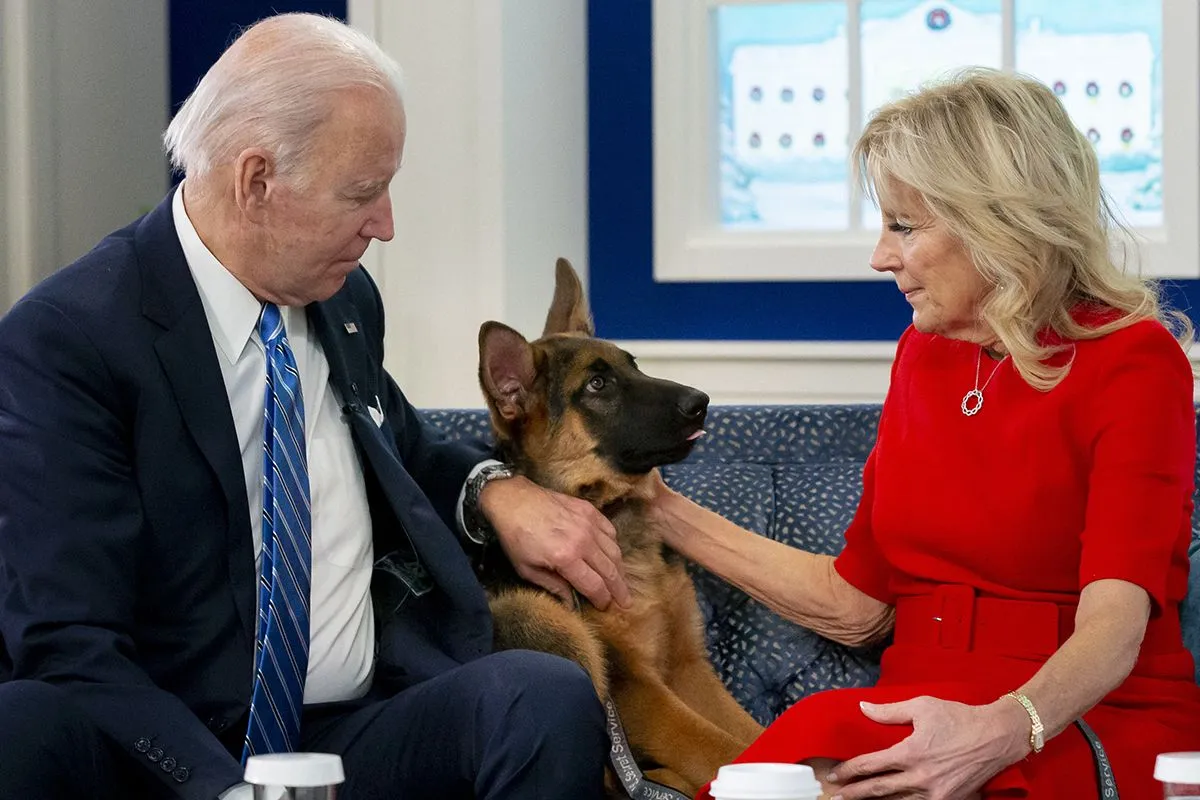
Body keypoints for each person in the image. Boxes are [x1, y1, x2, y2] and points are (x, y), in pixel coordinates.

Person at [0, 13, 629, 800]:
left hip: (345, 735)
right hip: (164, 748)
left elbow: (398, 442)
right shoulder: (70, 340)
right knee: (20, 725)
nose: (386, 225)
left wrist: (497, 490)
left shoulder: (341, 296)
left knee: (540, 695)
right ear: (257, 180)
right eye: (363, 193)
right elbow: (67, 643)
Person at [650, 68, 1200, 800]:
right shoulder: (923, 353)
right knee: (776, 774)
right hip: (914, 708)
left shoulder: (1134, 360)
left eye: (903, 227)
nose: (881, 257)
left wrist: (1006, 728)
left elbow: (1115, 626)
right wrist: (654, 509)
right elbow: (857, 605)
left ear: (997, 221)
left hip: (1082, 714)